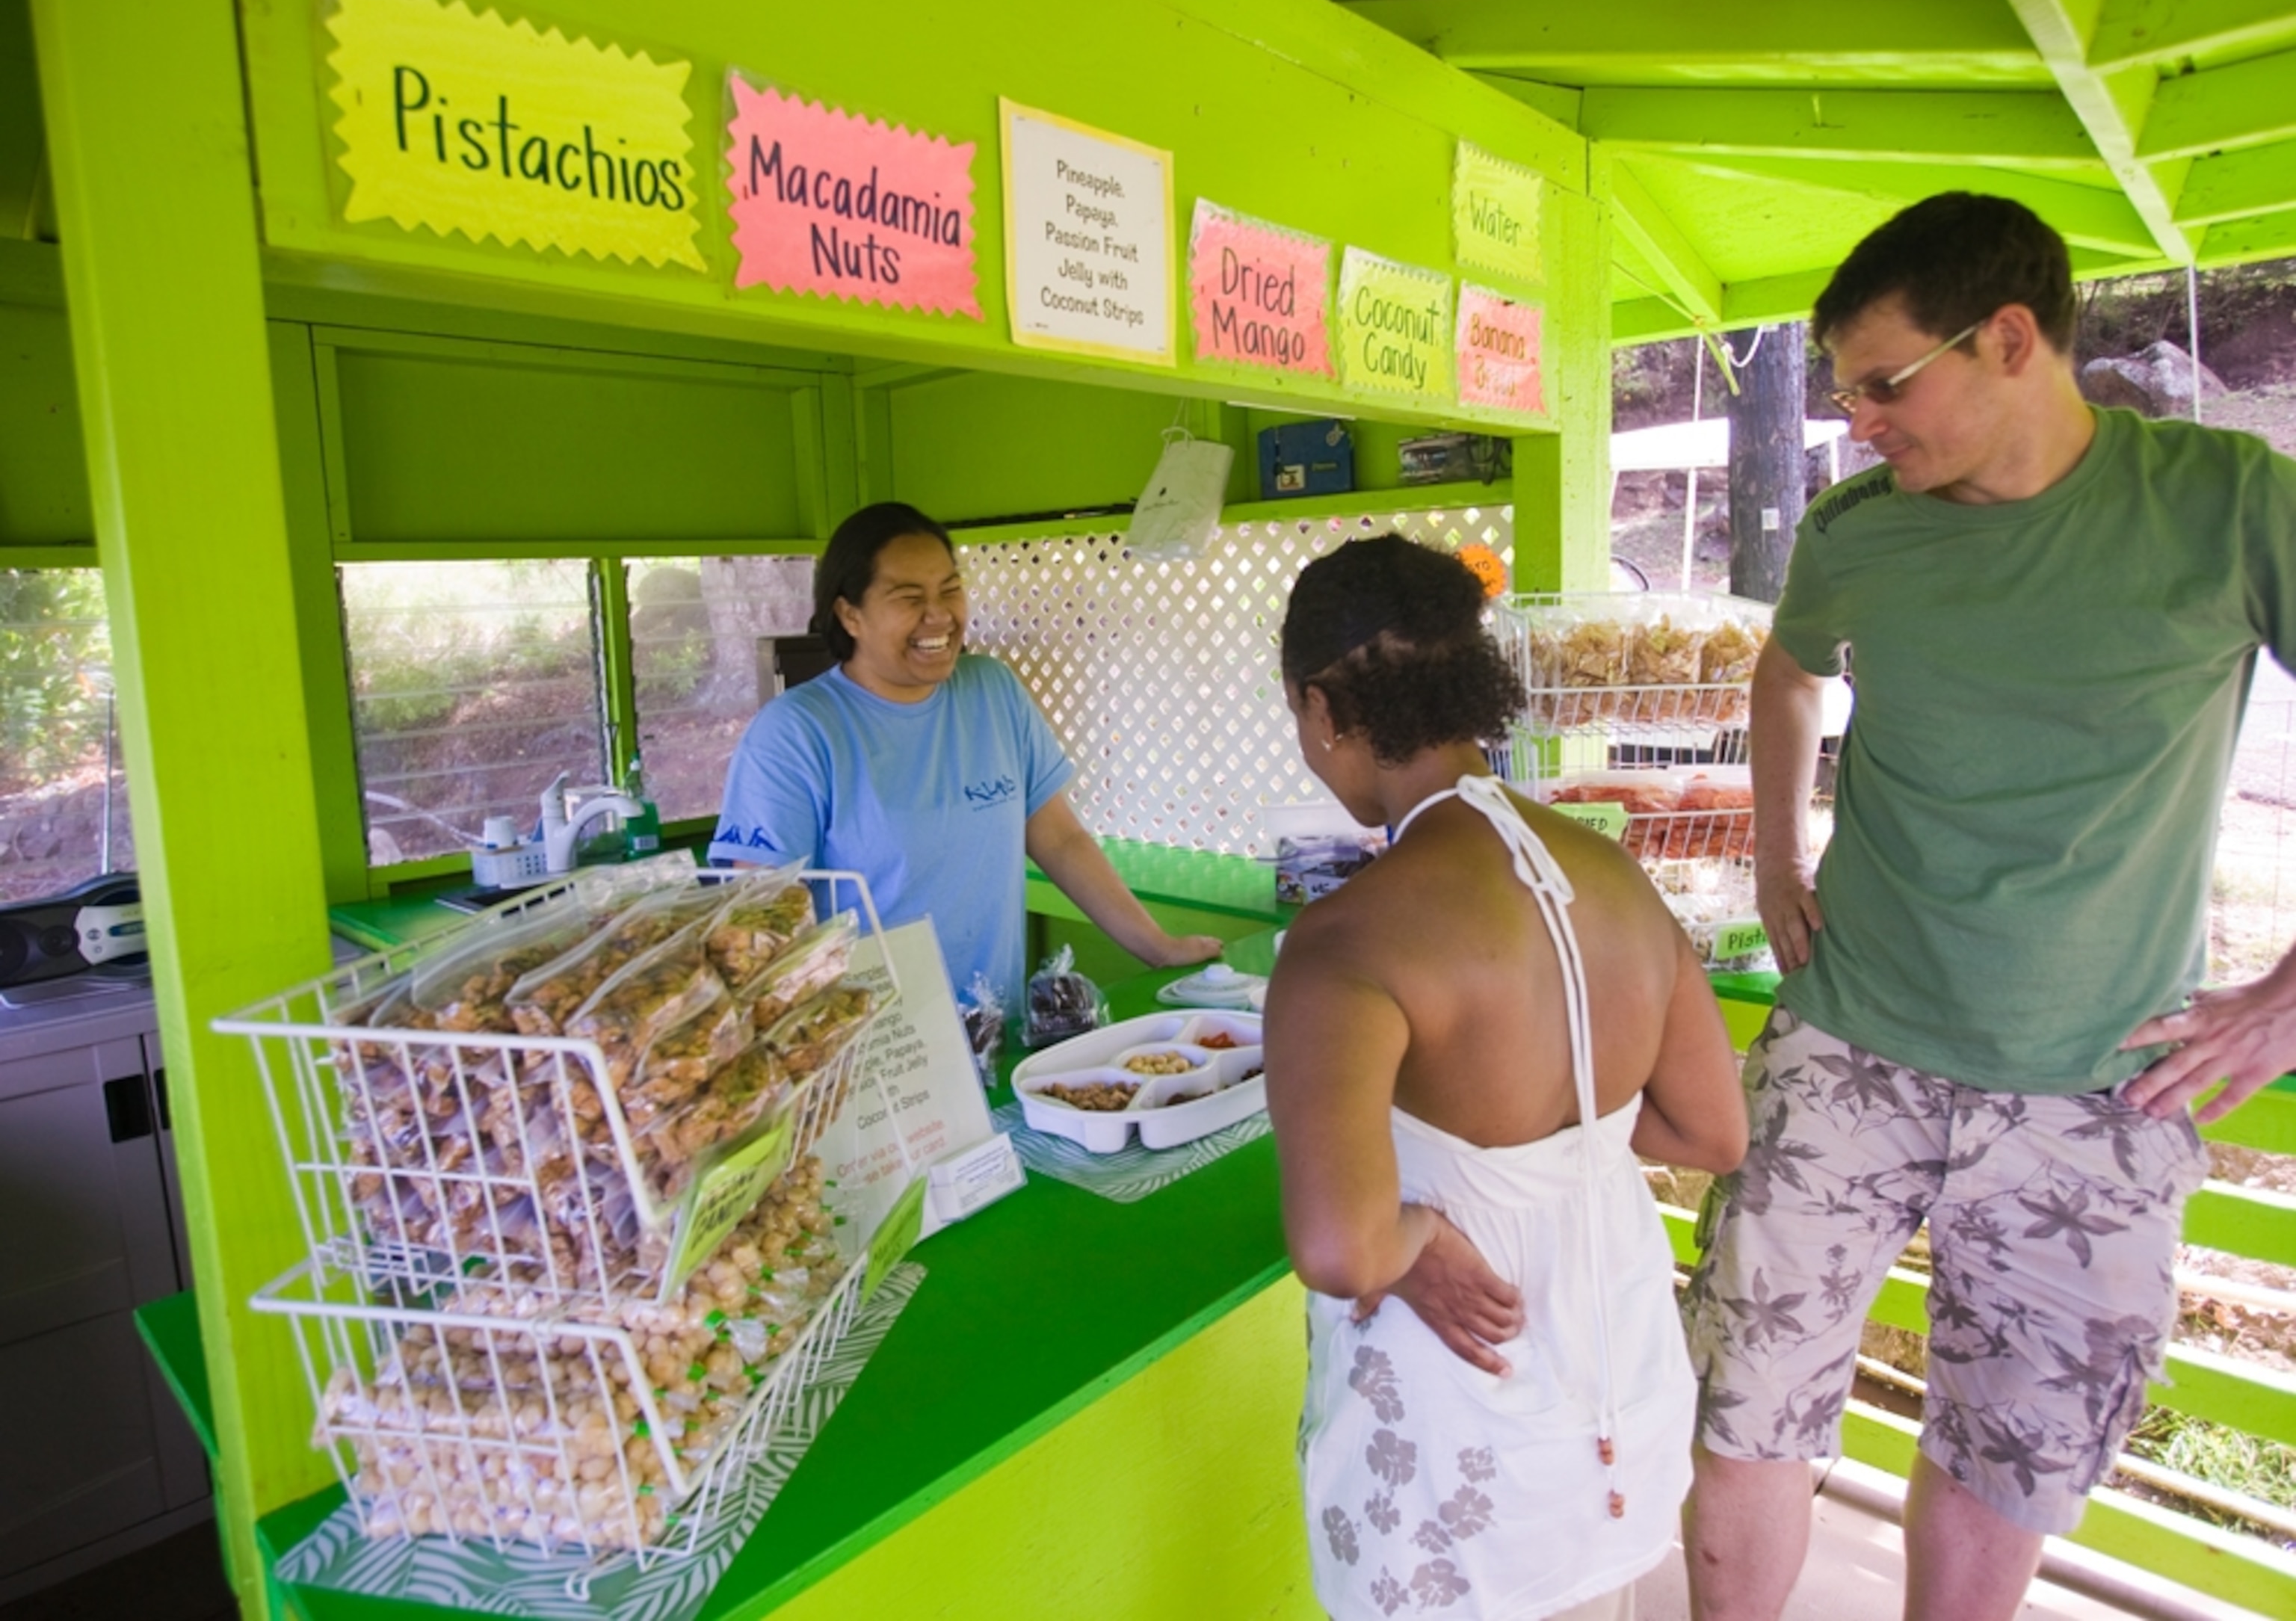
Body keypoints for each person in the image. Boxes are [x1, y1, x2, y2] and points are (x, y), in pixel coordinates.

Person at [1682, 194, 2296, 1621]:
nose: (1856, 426)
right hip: (1849, 1039)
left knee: (2006, 1461)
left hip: (2099, 1085)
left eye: (1884, 385)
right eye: (1839, 393)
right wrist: (1776, 858)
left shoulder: (2225, 503)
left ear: (2009, 340)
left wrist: (2283, 995)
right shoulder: (1856, 531)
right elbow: (1788, 672)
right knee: (1746, 1408)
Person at [1267, 536, 1748, 1621]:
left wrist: (1424, 1232)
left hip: (1456, 1450)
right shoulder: (1613, 874)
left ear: (1323, 708)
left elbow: (1343, 1250)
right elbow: (1715, 1130)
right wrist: (1562, 1137)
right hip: (1617, 1399)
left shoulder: (1348, 941)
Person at [710, 501, 1219, 1005]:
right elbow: (763, 922)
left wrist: (1158, 947)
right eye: (909, 597)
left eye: (950, 589)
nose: (939, 616)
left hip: (998, 1033)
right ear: (849, 614)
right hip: (874, 1051)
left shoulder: (992, 692)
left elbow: (1061, 840)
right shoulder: (795, 734)